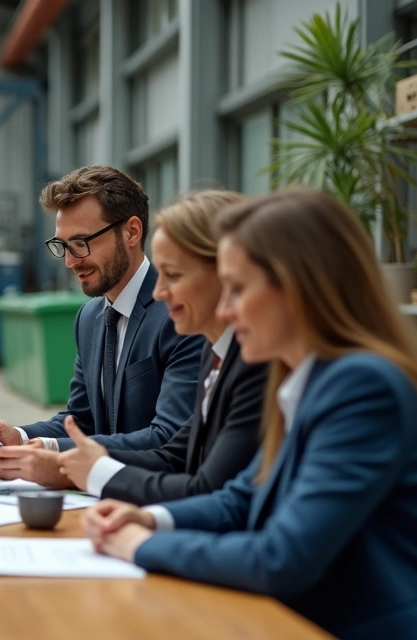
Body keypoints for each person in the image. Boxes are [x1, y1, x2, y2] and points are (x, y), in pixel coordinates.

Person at [83, 188, 417, 640]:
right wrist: (150, 519)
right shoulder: (305, 379)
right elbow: (241, 498)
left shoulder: (364, 387)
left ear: (297, 288)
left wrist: (143, 545)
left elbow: (282, 558)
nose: (225, 309)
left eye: (238, 289)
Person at [0, 165, 205, 484]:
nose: (71, 261)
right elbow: (81, 421)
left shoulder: (181, 315)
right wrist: (20, 438)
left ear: (131, 232)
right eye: (63, 246)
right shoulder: (89, 317)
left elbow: (168, 437)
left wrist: (52, 455)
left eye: (82, 242)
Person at [47, 190, 267, 503]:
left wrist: (78, 467)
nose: (160, 292)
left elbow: (210, 488)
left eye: (173, 275)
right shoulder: (218, 353)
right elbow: (175, 455)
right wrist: (45, 452)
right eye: (63, 246)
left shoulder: (252, 362)